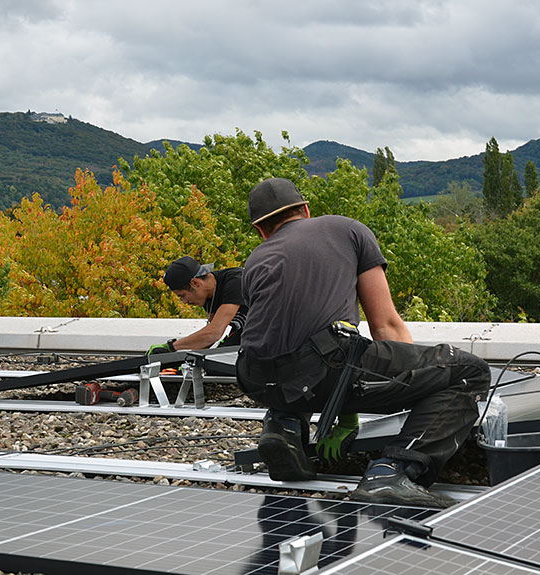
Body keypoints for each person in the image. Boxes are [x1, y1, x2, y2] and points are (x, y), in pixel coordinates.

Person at [235, 178, 490, 507]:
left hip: (255, 379)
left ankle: (282, 426)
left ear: (261, 230)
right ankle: (393, 472)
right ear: (306, 210)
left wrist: (343, 404)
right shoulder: (349, 230)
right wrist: (421, 388)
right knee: (468, 371)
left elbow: (275, 330)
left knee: (295, 360)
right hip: (322, 369)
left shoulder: (256, 259)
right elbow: (385, 324)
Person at [147, 256, 247, 354]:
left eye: (182, 296)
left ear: (195, 283)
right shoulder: (207, 294)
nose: (184, 302)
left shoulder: (235, 282)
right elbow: (207, 340)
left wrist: (171, 347)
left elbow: (214, 332)